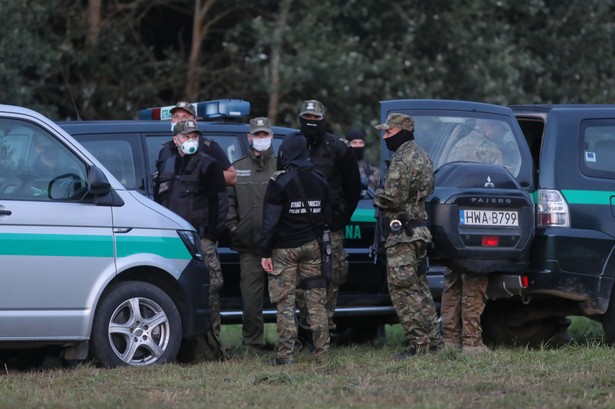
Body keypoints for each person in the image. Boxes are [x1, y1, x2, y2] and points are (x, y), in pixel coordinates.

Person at [373, 113, 443, 359]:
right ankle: (434, 340)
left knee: (402, 290)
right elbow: (428, 189)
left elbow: (393, 198)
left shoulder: (402, 158)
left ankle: (419, 343)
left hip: (402, 233)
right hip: (419, 230)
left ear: (402, 132)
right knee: (420, 287)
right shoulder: (424, 155)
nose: (384, 137)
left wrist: (376, 194)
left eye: (388, 132)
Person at [260, 134, 330, 366]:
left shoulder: (279, 181)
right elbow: (326, 216)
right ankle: (322, 355)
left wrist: (264, 252)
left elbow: (270, 222)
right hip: (312, 247)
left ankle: (285, 356)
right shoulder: (320, 179)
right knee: (316, 303)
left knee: (285, 304)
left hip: (284, 250)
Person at [154, 119, 228, 339]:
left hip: (200, 239)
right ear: (175, 140)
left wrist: (213, 234)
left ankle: (211, 344)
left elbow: (220, 202)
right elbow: (159, 202)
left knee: (209, 290)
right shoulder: (165, 165)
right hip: (171, 240)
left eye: (194, 136)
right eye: (186, 136)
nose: (191, 140)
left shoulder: (209, 165)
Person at [295, 100, 362, 336]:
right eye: (307, 118)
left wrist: (340, 217)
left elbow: (353, 187)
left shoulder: (337, 147)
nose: (311, 122)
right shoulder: (293, 144)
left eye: (316, 118)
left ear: (322, 119)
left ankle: (324, 331)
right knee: (301, 280)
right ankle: (304, 330)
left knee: (330, 277)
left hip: (329, 227)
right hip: (299, 227)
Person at [226, 117, 277, 353]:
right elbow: (228, 202)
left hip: (278, 246)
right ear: (249, 138)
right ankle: (253, 343)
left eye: (265, 134)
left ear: (271, 136)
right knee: (251, 299)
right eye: (257, 135)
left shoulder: (281, 166)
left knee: (285, 298)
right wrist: (233, 226)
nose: (261, 139)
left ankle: (289, 342)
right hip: (248, 246)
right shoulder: (238, 167)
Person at [156, 101, 237, 186]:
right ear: (171, 121)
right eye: (176, 117)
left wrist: (204, 174)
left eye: (185, 117)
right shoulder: (166, 149)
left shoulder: (208, 146)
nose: (179, 120)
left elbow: (232, 177)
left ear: (194, 121)